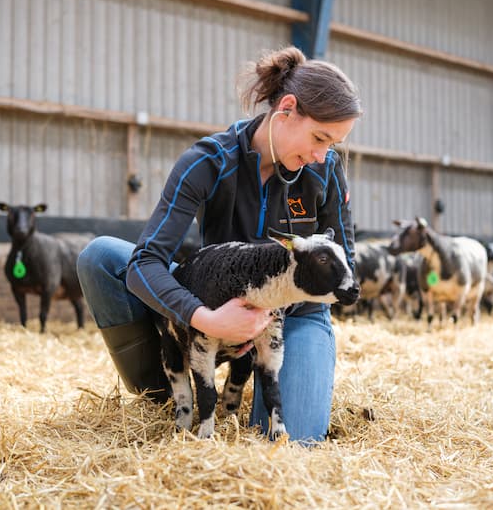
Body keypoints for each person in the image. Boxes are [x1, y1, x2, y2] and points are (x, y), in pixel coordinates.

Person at [76, 45, 362, 443]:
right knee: (101, 257)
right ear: (287, 109)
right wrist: (203, 317)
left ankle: (266, 385)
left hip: (293, 313)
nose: (320, 155)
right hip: (213, 297)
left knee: (290, 443)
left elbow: (346, 265)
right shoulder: (209, 161)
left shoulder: (325, 172)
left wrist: (265, 309)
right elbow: (145, 262)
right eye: (319, 138)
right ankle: (166, 395)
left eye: (332, 145)